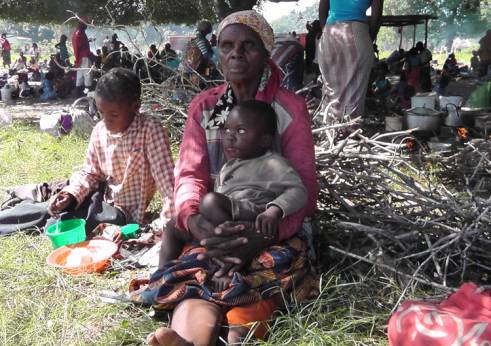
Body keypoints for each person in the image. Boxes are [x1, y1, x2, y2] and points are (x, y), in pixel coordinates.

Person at [138, 10, 318, 346]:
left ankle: (236, 338)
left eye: (248, 46)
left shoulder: (287, 108)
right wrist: (196, 224)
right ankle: (188, 340)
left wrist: (260, 234)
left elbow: (304, 192)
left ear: (266, 54)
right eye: (227, 46)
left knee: (258, 274)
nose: (236, 53)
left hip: (270, 227)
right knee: (202, 267)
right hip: (218, 224)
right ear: (218, 52)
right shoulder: (205, 107)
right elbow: (190, 175)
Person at [158, 100, 308, 288]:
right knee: (174, 225)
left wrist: (274, 210)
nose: (229, 137)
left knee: (210, 201)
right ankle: (160, 276)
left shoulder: (273, 164)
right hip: (226, 217)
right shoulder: (229, 166)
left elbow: (298, 190)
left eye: (241, 131)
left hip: (251, 214)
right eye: (227, 129)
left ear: (265, 140)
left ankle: (226, 269)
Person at [46, 68, 175, 233]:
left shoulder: (149, 129)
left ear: (135, 107)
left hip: (123, 213)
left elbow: (167, 181)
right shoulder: (99, 130)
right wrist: (71, 194)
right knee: (58, 211)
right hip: (102, 198)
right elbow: (91, 173)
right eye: (101, 113)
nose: (106, 122)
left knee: (91, 221)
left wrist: (168, 223)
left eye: (114, 114)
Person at [318, 0, 384, 120]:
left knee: (330, 90)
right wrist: (369, 38)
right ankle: (348, 130)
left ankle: (328, 128)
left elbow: (322, 10)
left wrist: (325, 32)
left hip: (329, 33)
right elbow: (377, 16)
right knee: (354, 92)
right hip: (357, 32)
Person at [71, 17, 92, 97]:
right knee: (88, 75)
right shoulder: (79, 32)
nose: (86, 25)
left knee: (80, 76)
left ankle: (78, 95)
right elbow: (79, 44)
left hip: (80, 58)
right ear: (82, 23)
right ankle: (87, 94)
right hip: (84, 57)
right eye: (86, 23)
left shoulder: (78, 31)